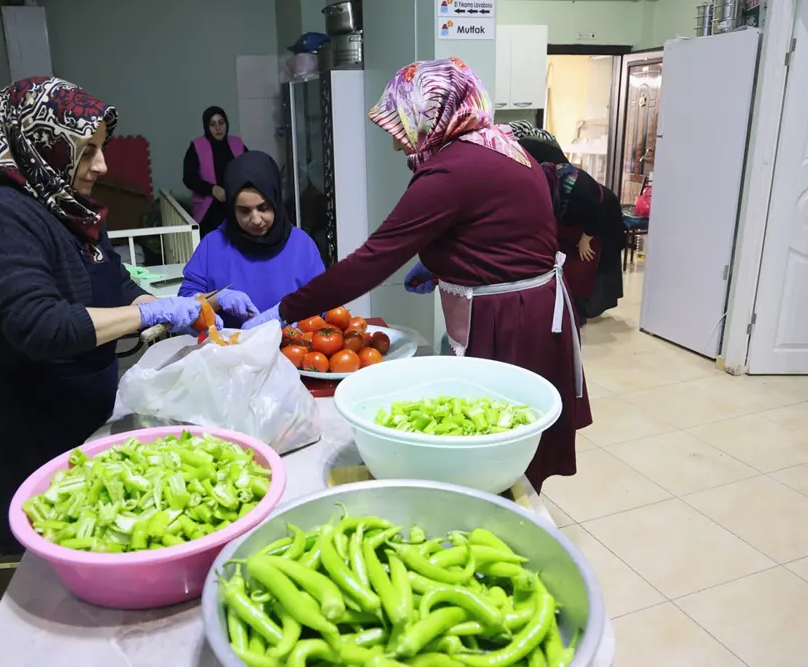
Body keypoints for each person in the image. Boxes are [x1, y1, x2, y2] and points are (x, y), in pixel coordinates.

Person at [243, 58, 592, 492]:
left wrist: (285, 310)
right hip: (536, 308)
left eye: (401, 127)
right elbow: (505, 228)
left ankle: (501, 512)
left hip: (510, 318)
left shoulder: (450, 171)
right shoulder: (500, 145)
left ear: (432, 114)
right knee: (507, 430)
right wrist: (442, 261)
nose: (396, 145)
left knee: (497, 435)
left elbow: (373, 260)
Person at [0, 77, 213, 553]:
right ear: (43, 147)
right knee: (53, 562)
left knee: (108, 539)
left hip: (87, 410)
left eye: (102, 148)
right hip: (32, 426)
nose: (103, 164)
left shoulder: (72, 211)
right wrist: (151, 313)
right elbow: (43, 327)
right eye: (88, 150)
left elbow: (116, 286)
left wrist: (186, 308)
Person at [179, 151, 326, 329]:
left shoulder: (301, 245)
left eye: (264, 207)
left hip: (292, 350)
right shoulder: (212, 246)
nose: (256, 219)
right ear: (232, 208)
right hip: (229, 350)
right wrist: (218, 299)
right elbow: (185, 304)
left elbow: (323, 305)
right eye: (244, 210)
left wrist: (298, 323)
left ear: (276, 201)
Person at [501, 122, 625, 323]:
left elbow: (596, 210)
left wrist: (586, 238)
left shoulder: (573, 188)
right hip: (575, 214)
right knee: (568, 265)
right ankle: (571, 306)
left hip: (598, 214)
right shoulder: (548, 182)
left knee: (586, 262)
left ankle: (584, 309)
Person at [183, 106, 247, 238]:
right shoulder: (197, 146)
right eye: (212, 124)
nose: (218, 128)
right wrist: (212, 189)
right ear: (207, 126)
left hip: (235, 205)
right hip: (209, 210)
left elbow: (249, 166)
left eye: (221, 123)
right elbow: (189, 178)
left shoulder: (237, 143)